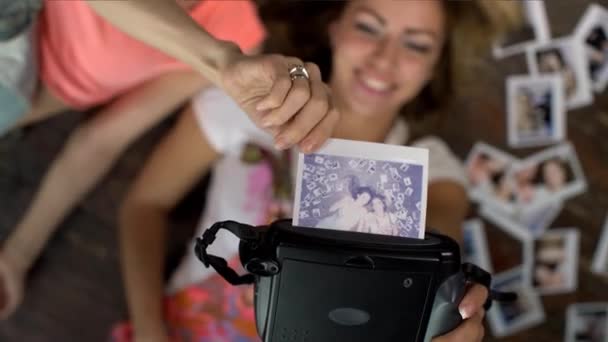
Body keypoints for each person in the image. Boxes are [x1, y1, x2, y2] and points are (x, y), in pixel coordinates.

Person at [117, 0, 523, 341]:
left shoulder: (433, 169)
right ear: (334, 28)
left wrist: (447, 301)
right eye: (368, 27)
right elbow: (143, 204)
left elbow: (436, 266)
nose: (384, 59)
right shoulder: (250, 104)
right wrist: (150, 332)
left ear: (435, 67)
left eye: (416, 46)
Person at [0, 0, 336, 320]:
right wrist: (220, 60)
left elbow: (100, 142)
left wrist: (18, 255)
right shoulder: (224, 54)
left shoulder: (236, 32)